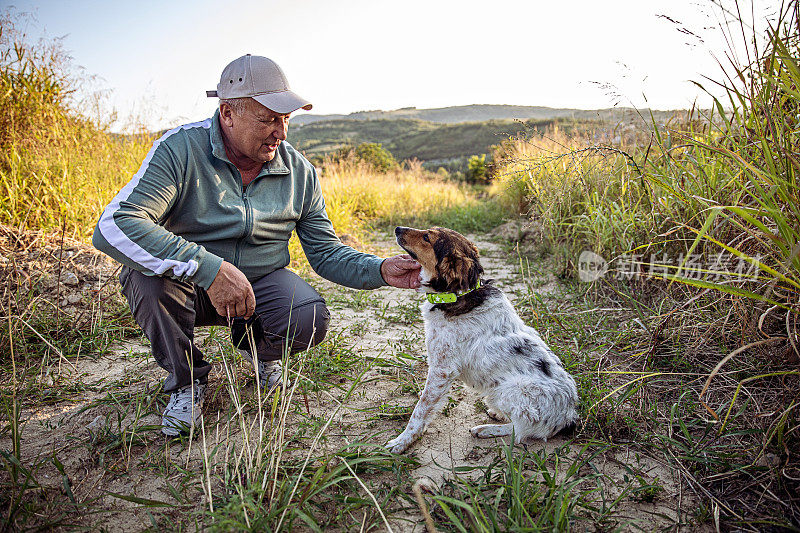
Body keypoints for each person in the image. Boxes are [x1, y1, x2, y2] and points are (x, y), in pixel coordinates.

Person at [92, 54, 421, 436]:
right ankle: (187, 382)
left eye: (285, 120)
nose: (280, 132)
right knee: (146, 280)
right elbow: (116, 223)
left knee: (308, 316)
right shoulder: (180, 149)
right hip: (191, 286)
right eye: (268, 119)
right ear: (227, 113)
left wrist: (379, 269)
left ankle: (258, 348)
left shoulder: (300, 172)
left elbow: (326, 251)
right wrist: (208, 268)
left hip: (260, 285)